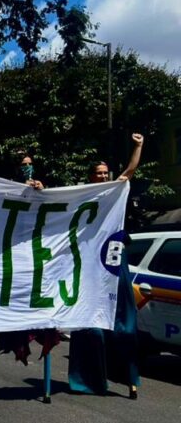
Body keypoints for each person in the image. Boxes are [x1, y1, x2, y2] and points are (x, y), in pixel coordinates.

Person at [68, 132, 146, 397]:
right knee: (89, 323)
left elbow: (130, 170)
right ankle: (88, 380)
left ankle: (129, 378)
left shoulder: (115, 191)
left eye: (105, 173)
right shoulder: (83, 195)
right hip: (90, 264)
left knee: (123, 322)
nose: (102, 176)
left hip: (114, 262)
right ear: (91, 176)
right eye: (98, 173)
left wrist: (138, 146)